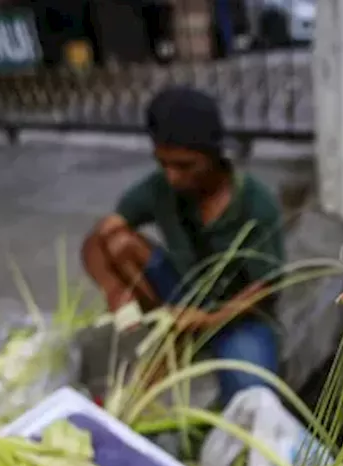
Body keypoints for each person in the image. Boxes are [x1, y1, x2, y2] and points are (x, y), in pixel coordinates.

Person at [81, 86, 286, 405]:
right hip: (182, 292)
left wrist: (208, 320)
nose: (172, 176)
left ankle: (191, 336)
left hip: (238, 316)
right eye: (163, 164)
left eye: (185, 165)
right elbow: (98, 238)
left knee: (252, 392)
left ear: (214, 155)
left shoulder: (255, 204)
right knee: (119, 243)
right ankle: (168, 331)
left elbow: (267, 289)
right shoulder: (162, 188)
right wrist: (114, 292)